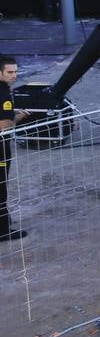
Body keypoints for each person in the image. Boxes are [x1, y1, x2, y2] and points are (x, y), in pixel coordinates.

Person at [0, 55, 29, 240]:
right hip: (0, 148)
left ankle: (4, 220)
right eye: (10, 72)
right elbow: (4, 127)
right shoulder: (3, 94)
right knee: (1, 187)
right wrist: (17, 117)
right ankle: (3, 231)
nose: (14, 76)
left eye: (16, 71)